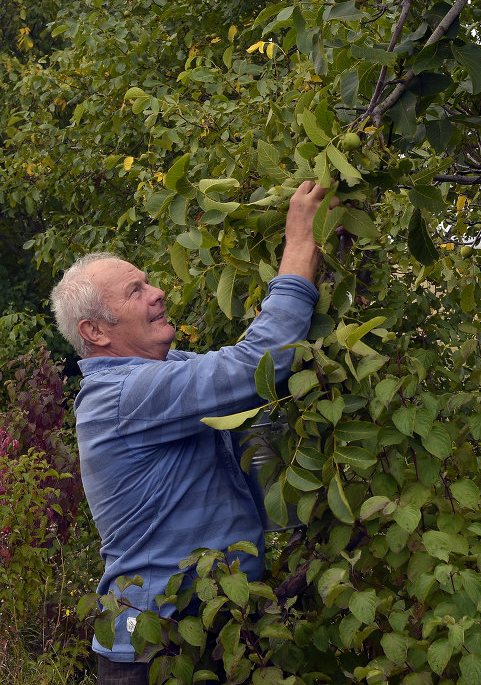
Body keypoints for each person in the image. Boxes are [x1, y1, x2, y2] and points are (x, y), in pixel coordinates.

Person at [50, 181, 339, 684]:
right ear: (96, 332)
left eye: (148, 281)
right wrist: (296, 245)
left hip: (216, 629)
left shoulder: (162, 372)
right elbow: (256, 365)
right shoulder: (126, 394)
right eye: (135, 291)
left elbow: (247, 365)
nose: (158, 292)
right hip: (155, 651)